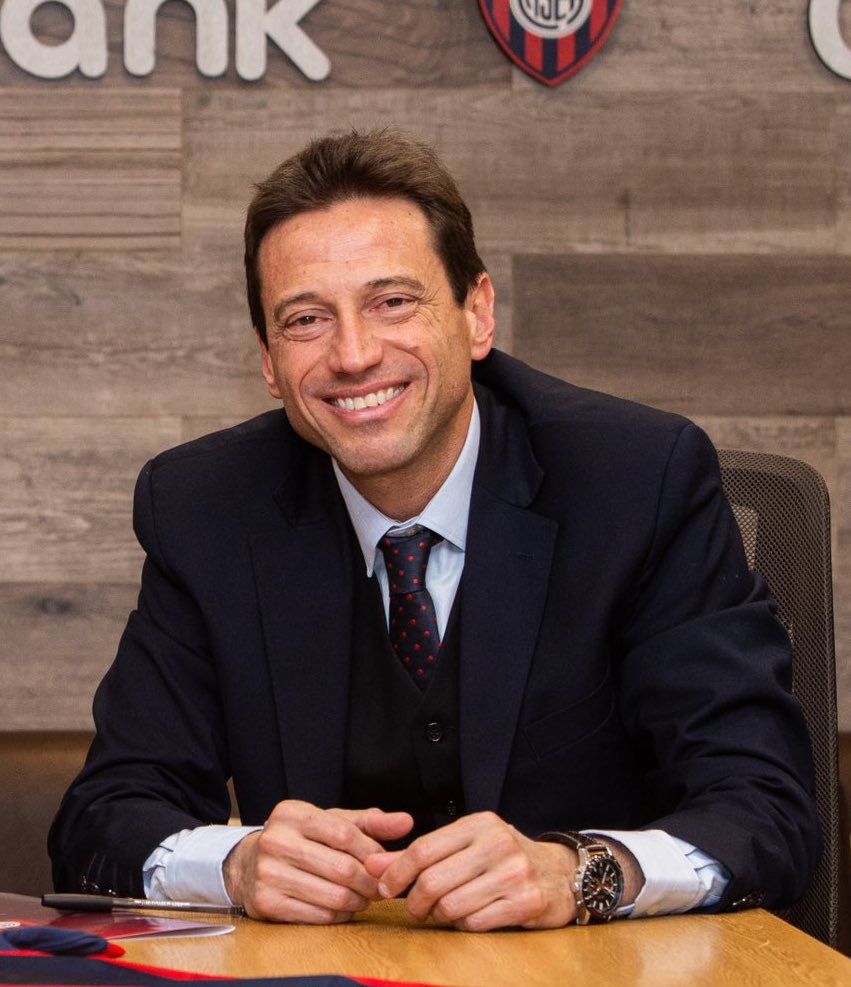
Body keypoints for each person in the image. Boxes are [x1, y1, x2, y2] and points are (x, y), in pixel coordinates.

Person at [50, 130, 819, 932]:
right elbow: (103, 820)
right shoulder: (205, 507)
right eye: (306, 319)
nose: (354, 354)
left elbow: (764, 807)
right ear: (270, 361)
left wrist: (579, 871)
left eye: (392, 302)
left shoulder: (636, 481)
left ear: (476, 314)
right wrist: (235, 864)